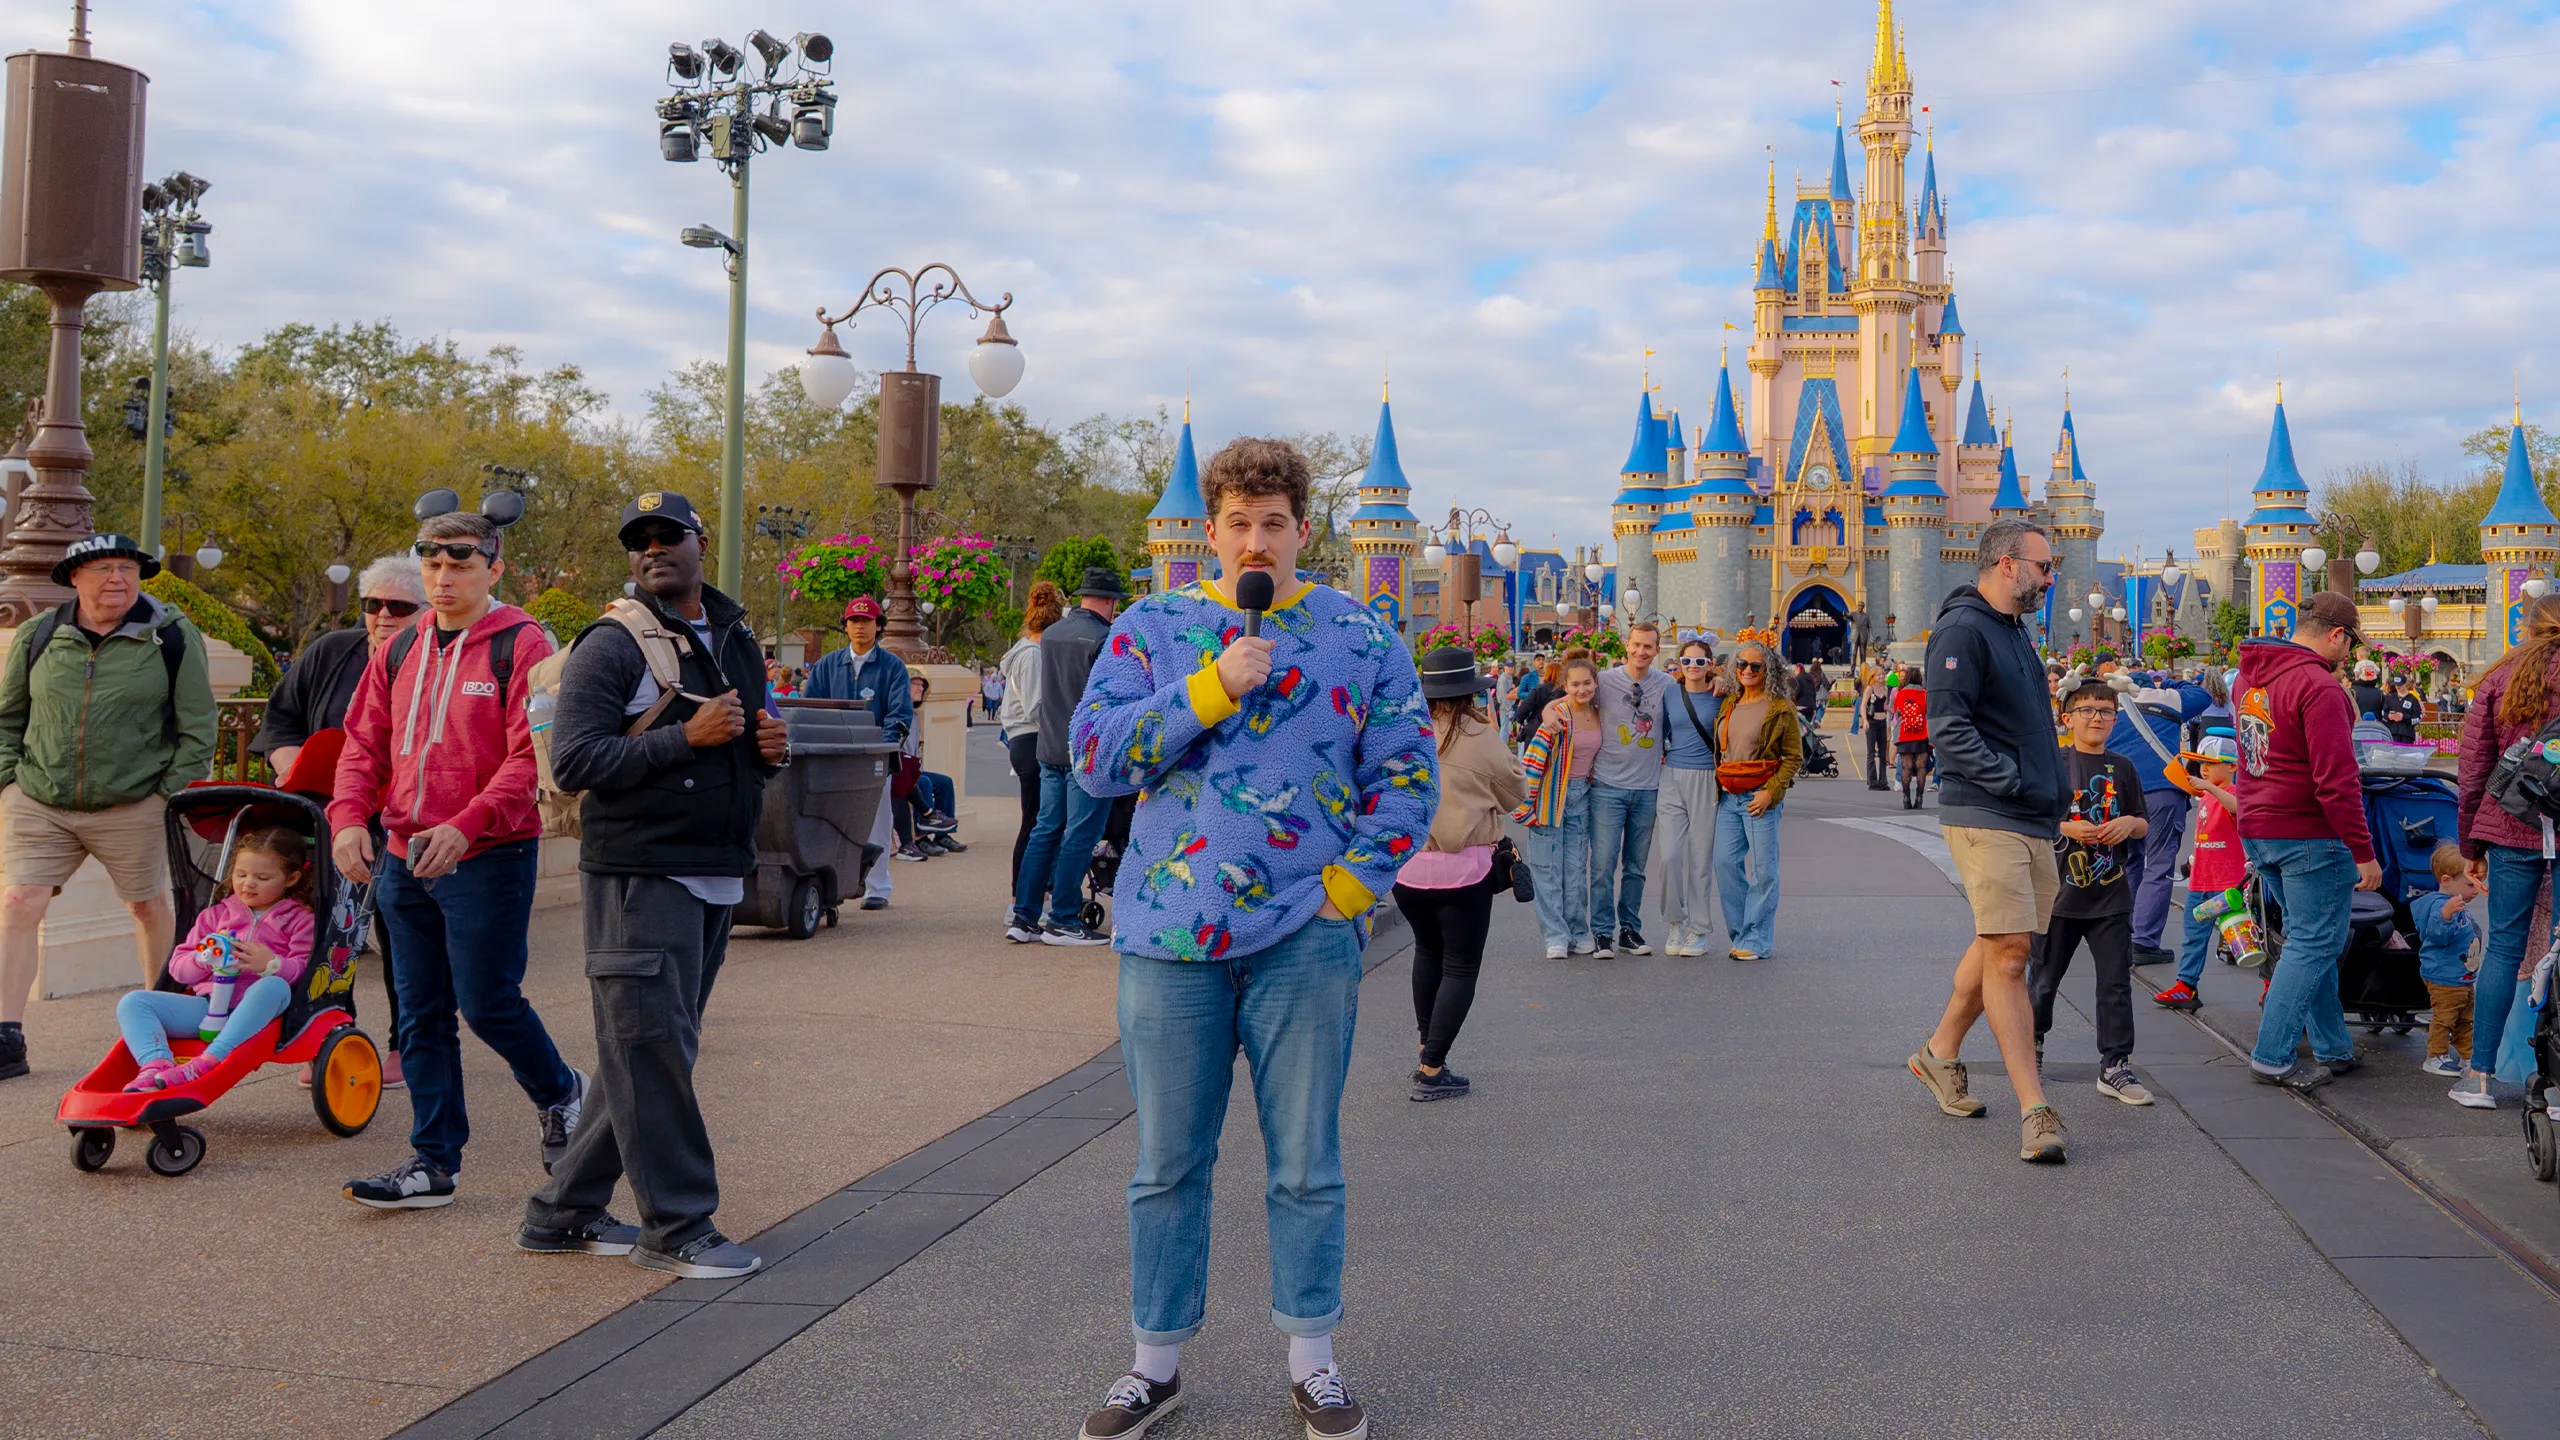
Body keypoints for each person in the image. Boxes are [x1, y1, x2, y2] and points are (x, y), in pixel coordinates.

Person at [1070, 436, 1432, 1440]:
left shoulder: (1362, 636)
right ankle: (1154, 1362)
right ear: (1211, 533)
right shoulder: (1152, 627)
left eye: (1273, 522)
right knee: (1166, 1164)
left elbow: (1405, 775)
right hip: (1166, 937)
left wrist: (1348, 892)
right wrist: (1210, 686)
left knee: (1305, 1160)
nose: (1254, 540)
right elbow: (1095, 757)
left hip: (1300, 943)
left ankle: (1311, 1355)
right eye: (1236, 523)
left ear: (1302, 532)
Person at [520, 490, 785, 1279]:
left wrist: (767, 750)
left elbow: (737, 747)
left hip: (712, 874)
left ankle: (562, 1213)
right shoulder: (613, 644)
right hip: (639, 876)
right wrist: (683, 737)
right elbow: (575, 763)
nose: (655, 548)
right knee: (647, 1049)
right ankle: (676, 1225)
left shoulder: (733, 637)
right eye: (641, 540)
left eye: (671, 535)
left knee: (650, 1053)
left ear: (701, 543)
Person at [331, 505, 581, 1209]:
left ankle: (562, 1093)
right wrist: (349, 817)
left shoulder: (523, 644)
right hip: (404, 859)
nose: (442, 580)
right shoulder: (401, 646)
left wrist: (469, 825)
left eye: (459, 566)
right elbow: (363, 743)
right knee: (419, 1013)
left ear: (494, 568)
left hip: (489, 856)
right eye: (433, 565)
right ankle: (434, 1163)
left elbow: (530, 756)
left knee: (488, 1003)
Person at [0, 532, 217, 1084]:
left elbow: (198, 726)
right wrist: (8, 783)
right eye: (103, 569)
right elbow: (8, 718)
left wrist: (164, 792)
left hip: (133, 802)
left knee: (146, 907)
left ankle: (166, 1020)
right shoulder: (40, 634)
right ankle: (6, 1036)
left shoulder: (170, 636)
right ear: (75, 578)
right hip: (40, 798)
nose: (117, 579)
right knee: (19, 903)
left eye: (127, 568)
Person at [1907, 518, 2071, 1164]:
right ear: (2006, 564)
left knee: (1999, 941)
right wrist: (2014, 781)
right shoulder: (1962, 630)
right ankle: (2035, 1108)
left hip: (2031, 814)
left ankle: (1939, 1052)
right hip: (1989, 812)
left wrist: (2048, 788)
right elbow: (1949, 730)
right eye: (2043, 566)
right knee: (2009, 955)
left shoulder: (2011, 630)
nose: (2050, 577)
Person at [253, 553, 424, 1091]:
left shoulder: (439, 660)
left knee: (402, 934)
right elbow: (279, 719)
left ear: (425, 610)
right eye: (373, 605)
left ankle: (410, 1046)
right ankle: (328, 1036)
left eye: (399, 606)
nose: (383, 616)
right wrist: (289, 761)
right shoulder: (332, 651)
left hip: (405, 818)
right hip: (329, 812)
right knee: (331, 931)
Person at [2236, 590, 2380, 1094]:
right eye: (2351, 643)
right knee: (2315, 942)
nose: (2351, 655)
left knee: (2307, 938)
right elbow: (2336, 781)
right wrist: (2363, 851)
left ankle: (2333, 1046)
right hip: (2308, 831)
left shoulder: (2251, 678)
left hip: (2259, 824)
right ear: (2337, 634)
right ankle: (2273, 1056)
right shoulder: (2318, 686)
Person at [1394, 646, 1523, 1100]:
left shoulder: (1404, 727)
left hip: (1408, 869)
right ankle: (1432, 1069)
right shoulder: (1479, 734)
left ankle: (1426, 1048)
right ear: (1470, 690)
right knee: (1461, 965)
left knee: (1427, 954)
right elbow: (1514, 792)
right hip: (1462, 869)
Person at [2451, 592, 2560, 1109]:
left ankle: (2479, 1077)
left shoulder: (2500, 679)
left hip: (2510, 827)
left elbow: (2473, 770)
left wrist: (2471, 844)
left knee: (2503, 948)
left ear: (2529, 627)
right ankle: (2556, 1081)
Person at [2027, 680, 2153, 1104]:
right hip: (2056, 895)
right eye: (2086, 710)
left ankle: (2115, 1065)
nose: (2096, 718)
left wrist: (2128, 826)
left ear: (2116, 719)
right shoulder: (2052, 763)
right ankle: (2031, 1051)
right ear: (2067, 719)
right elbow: (2029, 819)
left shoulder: (2125, 767)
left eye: (2105, 711)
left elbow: (2142, 821)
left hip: (2110, 896)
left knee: (2115, 984)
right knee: (2043, 981)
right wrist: (2067, 827)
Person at [116, 827, 315, 1091]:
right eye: (240, 874)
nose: (248, 883)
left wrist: (272, 965)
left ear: (291, 879)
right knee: (134, 1002)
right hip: (209, 1007)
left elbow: (306, 968)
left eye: (262, 877)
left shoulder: (300, 919)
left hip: (260, 1009)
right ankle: (156, 1064)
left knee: (273, 985)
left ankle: (209, 1060)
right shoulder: (215, 915)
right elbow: (178, 968)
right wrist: (203, 959)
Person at [1010, 567, 1122, 946]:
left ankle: (1024, 915)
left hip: (1049, 746)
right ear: (1108, 602)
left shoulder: (1051, 634)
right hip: (1086, 751)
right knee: (1080, 833)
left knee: (1045, 829)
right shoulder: (1105, 638)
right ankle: (1063, 918)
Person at [800, 595, 912, 911]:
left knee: (877, 821)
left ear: (878, 626)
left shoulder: (893, 667)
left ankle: (877, 887)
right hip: (832, 759)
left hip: (874, 760)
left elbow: (900, 715)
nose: (859, 627)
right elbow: (810, 710)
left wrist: (883, 751)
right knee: (826, 822)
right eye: (853, 621)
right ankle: (830, 885)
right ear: (846, 626)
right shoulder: (825, 666)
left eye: (866, 621)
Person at [2107, 672, 2211, 963]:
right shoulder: (2168, 698)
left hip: (2119, 792)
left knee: (2129, 861)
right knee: (2160, 864)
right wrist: (2167, 683)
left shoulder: (2111, 705)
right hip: (2160, 790)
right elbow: (2202, 696)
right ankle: (2144, 940)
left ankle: (2122, 932)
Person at [1712, 640, 1801, 962]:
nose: (1746, 671)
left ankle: (1758, 939)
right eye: (1741, 665)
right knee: (1724, 864)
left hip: (1759, 797)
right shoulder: (1729, 703)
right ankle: (1741, 934)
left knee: (1764, 871)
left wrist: (1771, 792)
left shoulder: (1780, 707)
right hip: (1728, 797)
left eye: (1755, 666)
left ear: (1769, 670)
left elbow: (1793, 757)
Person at [1586, 620, 1667, 956]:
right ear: (1626, 645)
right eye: (1636, 645)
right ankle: (1602, 932)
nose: (1641, 652)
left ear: (1657, 650)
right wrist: (1548, 713)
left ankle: (1629, 930)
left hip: (1648, 788)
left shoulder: (1667, 685)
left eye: (1647, 646)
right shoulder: (1604, 681)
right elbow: (1569, 702)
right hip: (1608, 785)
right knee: (1603, 864)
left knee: (1636, 866)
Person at [2152, 729, 2241, 1012]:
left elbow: (2238, 809)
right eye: (2201, 762)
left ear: (2232, 766)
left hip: (2229, 886)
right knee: (2193, 934)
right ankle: (2186, 986)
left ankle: (2270, 986)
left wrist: (2210, 787)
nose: (2204, 767)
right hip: (2202, 881)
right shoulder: (2205, 795)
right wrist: (2193, 859)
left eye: (2211, 763)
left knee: (2243, 938)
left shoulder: (2231, 792)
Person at [1518, 657, 1602, 959]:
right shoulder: (1556, 718)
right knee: (1546, 870)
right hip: (1550, 799)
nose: (1582, 689)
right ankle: (1555, 935)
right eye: (1575, 684)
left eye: (1587, 682)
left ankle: (1578, 931)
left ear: (1595, 682)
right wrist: (1526, 807)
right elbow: (1531, 763)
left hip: (1582, 798)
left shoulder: (1598, 712)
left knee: (1576, 870)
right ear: (1565, 687)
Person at [1656, 638, 1725, 956]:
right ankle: (1675, 922)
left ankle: (1698, 930)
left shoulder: (1722, 694)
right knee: (1669, 856)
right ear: (1678, 665)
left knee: (1700, 858)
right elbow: (1662, 730)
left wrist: (1726, 680)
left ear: (1711, 665)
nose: (1693, 668)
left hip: (1707, 778)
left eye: (1700, 662)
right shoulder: (1670, 692)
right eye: (1687, 662)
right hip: (1672, 776)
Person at [999, 581, 1062, 891]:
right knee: (1036, 821)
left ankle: (1028, 890)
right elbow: (1037, 706)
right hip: (1031, 739)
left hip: (1025, 739)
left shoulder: (1026, 652)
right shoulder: (1033, 656)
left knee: (1037, 818)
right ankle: (1021, 892)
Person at [2414, 843, 2480, 1079]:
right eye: (2470, 884)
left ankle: (2468, 1055)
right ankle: (2436, 1055)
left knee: (2465, 1018)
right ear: (2447, 880)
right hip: (2444, 976)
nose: (2476, 890)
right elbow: (2436, 935)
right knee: (2445, 1018)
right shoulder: (2440, 905)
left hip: (2462, 975)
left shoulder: (2458, 904)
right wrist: (2446, 914)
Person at [892, 672, 963, 859]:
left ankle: (942, 835)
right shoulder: (897, 713)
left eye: (922, 685)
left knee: (945, 783)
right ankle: (921, 838)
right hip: (899, 770)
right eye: (916, 684)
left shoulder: (914, 717)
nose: (920, 688)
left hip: (913, 768)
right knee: (923, 783)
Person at [1892, 663, 1931, 808]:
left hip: (1905, 734)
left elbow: (1897, 713)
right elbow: (1929, 712)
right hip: (1922, 733)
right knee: (1921, 767)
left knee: (1906, 767)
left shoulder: (1901, 694)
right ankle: (1919, 798)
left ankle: (1906, 798)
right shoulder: (1925, 694)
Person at [1511, 656, 1561, 748]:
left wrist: (1520, 720)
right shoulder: (1565, 691)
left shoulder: (1540, 689)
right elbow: (1520, 693)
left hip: (1537, 726)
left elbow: (1525, 707)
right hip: (1557, 728)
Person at [1860, 666, 1892, 790]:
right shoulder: (1869, 689)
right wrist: (1864, 720)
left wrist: (1892, 710)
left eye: (1883, 675)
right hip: (1872, 722)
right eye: (1879, 675)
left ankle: (1883, 780)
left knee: (1883, 753)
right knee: (1871, 753)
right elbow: (1863, 705)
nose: (1881, 677)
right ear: (1873, 676)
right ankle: (1872, 781)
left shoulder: (1885, 688)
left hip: (1882, 721)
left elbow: (1883, 705)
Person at [2379, 679, 2421, 745]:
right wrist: (2389, 716)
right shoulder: (2389, 698)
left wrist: (2403, 717)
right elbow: (2383, 714)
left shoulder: (2413, 699)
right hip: (2392, 733)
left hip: (2407, 734)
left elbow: (2418, 718)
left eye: (2400, 685)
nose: (2398, 687)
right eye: (2396, 685)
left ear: (2405, 684)